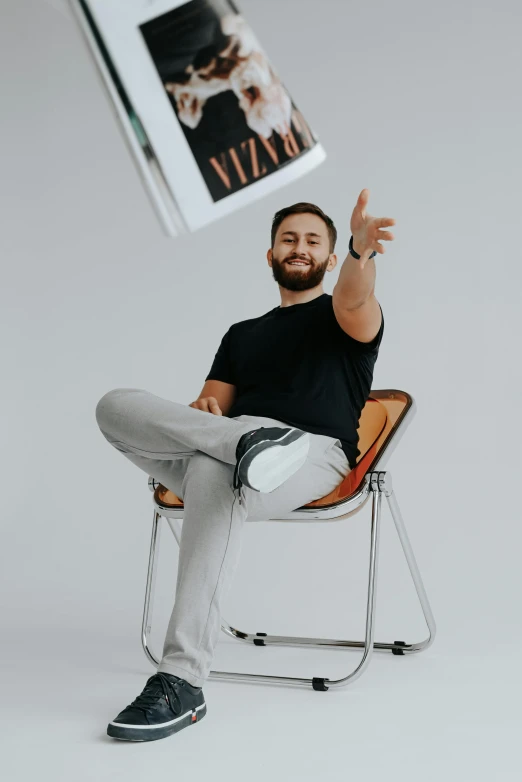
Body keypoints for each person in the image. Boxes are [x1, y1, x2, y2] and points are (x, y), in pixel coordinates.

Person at [95, 188, 395, 742]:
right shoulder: (241, 334)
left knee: (216, 470)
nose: (299, 247)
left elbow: (356, 296)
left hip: (310, 452)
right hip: (232, 444)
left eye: (313, 241)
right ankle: (250, 446)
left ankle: (182, 680)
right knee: (114, 405)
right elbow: (207, 407)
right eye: (288, 239)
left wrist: (360, 252)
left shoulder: (343, 313)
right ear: (270, 255)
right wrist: (211, 418)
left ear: (330, 258)